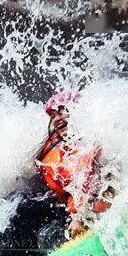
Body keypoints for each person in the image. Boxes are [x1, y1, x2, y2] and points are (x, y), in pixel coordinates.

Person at [35, 90, 114, 238]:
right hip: (79, 207)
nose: (56, 119)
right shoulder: (59, 151)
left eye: (62, 110)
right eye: (53, 115)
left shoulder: (93, 139)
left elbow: (86, 176)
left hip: (105, 205)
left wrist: (77, 218)